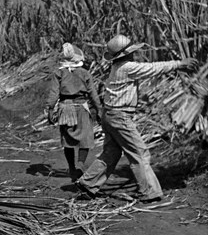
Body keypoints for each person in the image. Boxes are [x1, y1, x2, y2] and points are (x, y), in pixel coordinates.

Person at [76, 35, 198, 203]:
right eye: (132, 51)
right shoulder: (128, 67)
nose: (134, 54)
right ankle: (149, 192)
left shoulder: (116, 67)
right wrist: (179, 64)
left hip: (109, 115)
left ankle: (88, 183)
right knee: (140, 153)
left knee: (111, 153)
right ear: (126, 54)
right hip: (119, 117)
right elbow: (153, 68)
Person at [46, 43, 101, 182]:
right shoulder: (84, 73)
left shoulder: (59, 73)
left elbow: (54, 94)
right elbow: (93, 94)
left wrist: (50, 110)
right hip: (82, 107)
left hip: (65, 108)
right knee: (85, 138)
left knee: (67, 140)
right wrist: (99, 109)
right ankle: (80, 165)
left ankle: (72, 167)